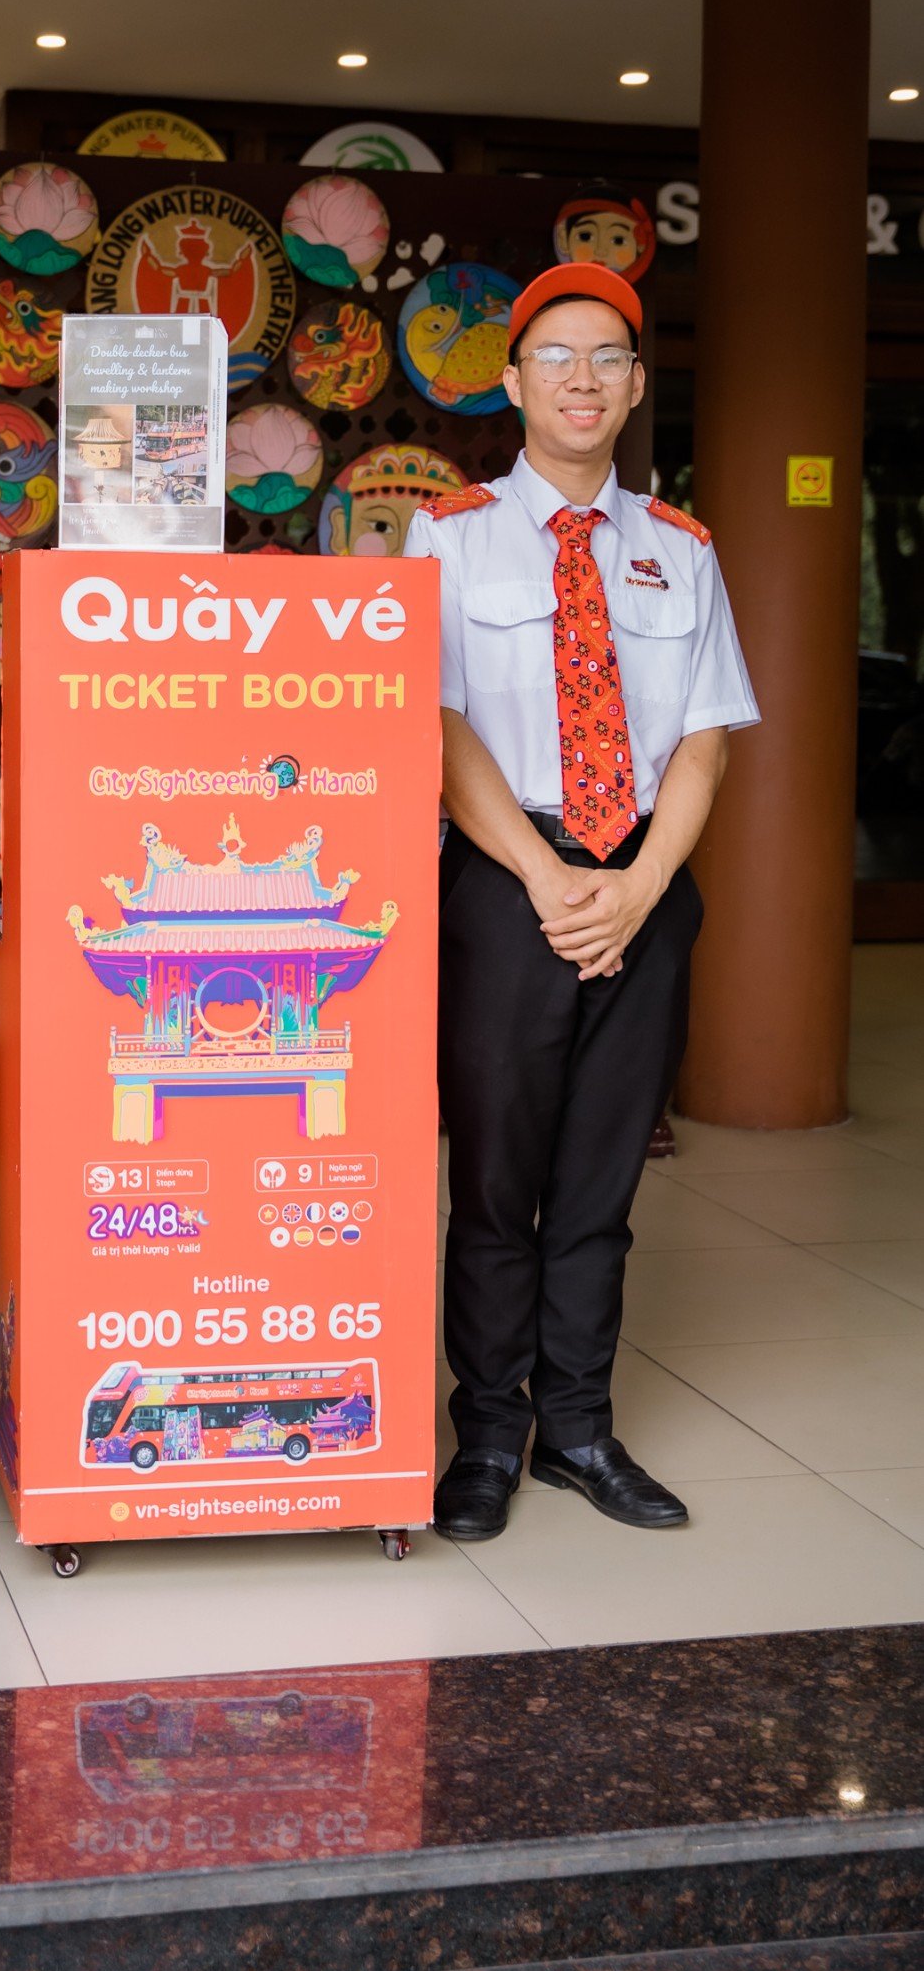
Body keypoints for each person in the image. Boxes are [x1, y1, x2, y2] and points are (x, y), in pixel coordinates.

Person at [403, 262, 758, 1540]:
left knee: (603, 1182)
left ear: (636, 384)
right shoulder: (444, 535)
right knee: (499, 1180)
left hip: (644, 887)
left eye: (607, 356)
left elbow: (707, 743)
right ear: (512, 381)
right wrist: (550, 877)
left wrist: (642, 886)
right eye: (557, 354)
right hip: (509, 886)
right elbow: (435, 725)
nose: (582, 378)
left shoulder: (683, 550)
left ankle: (581, 1430)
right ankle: (487, 1436)